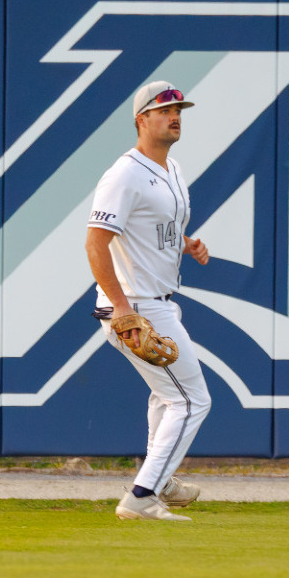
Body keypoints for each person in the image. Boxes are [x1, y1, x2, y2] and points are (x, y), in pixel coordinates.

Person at [85, 81, 215, 522]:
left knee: (166, 397)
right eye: (164, 111)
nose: (174, 116)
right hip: (135, 304)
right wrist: (122, 308)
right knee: (192, 400)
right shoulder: (124, 173)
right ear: (142, 120)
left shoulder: (172, 169)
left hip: (159, 300)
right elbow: (96, 243)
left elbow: (156, 226)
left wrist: (186, 243)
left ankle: (161, 478)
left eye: (178, 109)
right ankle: (143, 495)